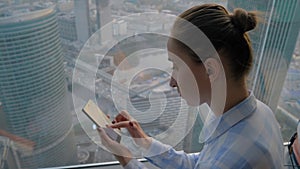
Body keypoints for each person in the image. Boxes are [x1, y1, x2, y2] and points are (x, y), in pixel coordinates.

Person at [97, 4, 284, 169]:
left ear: (210, 69)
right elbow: (200, 164)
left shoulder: (229, 160)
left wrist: (125, 158)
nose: (171, 81)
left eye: (176, 66)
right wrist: (143, 141)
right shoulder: (260, 114)